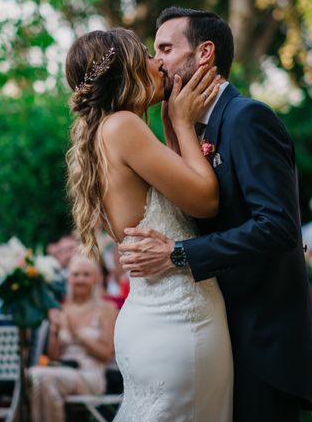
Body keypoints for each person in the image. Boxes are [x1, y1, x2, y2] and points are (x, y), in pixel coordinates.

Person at [117, 7, 312, 420]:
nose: (156, 61)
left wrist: (178, 254)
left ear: (204, 53)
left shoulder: (247, 118)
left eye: (166, 49)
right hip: (218, 331)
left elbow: (278, 227)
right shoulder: (193, 127)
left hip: (260, 340)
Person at [65, 26, 233, 421]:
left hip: (152, 317)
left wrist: (172, 126)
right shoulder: (123, 126)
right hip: (180, 321)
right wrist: (182, 121)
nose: (158, 62)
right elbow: (206, 201)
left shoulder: (104, 134)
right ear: (126, 70)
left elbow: (179, 195)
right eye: (145, 53)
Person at [28, 254, 118, 422]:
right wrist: (54, 331)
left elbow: (106, 354)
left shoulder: (107, 309)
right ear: (69, 278)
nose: (80, 279)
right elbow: (54, 356)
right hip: (63, 371)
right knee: (33, 377)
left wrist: (77, 333)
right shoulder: (63, 310)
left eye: (86, 274)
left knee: (40, 377)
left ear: (96, 279)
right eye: (76, 274)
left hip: (91, 374)